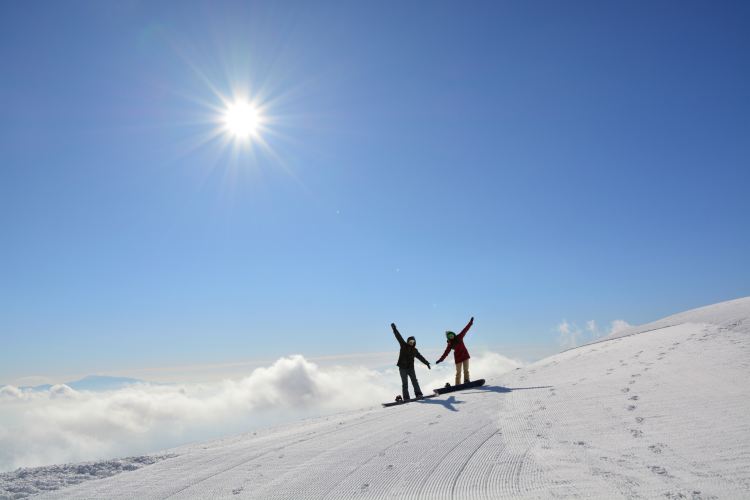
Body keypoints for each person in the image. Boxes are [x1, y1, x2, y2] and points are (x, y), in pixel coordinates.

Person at [391, 322, 431, 400]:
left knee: (414, 381)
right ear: (408, 341)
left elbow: (420, 357)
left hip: (411, 368)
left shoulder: (415, 350)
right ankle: (406, 398)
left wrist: (426, 363)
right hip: (402, 368)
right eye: (410, 341)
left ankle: (418, 394)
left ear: (414, 343)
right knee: (405, 384)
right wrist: (394, 329)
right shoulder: (403, 345)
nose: (411, 343)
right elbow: (398, 337)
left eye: (413, 342)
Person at [436, 316, 474, 386]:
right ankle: (458, 385)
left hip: (465, 355)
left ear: (453, 334)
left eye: (451, 335)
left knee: (466, 370)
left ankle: (466, 380)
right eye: (449, 336)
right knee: (458, 372)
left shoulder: (459, 336)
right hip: (458, 358)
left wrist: (470, 323)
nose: (451, 336)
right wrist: (440, 360)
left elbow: (465, 329)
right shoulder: (450, 344)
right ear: (448, 338)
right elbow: (446, 353)